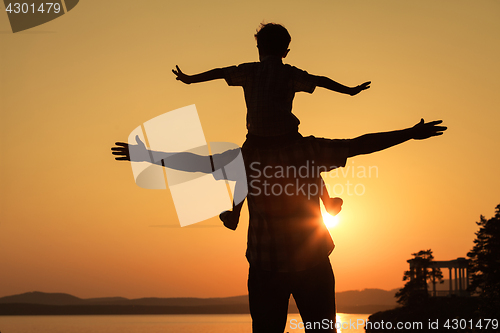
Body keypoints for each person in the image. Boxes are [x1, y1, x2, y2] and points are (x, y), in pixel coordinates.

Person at [112, 119, 447, 333]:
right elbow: (358, 145)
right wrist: (409, 133)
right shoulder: (305, 150)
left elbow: (200, 163)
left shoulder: (248, 156)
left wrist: (149, 157)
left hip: (270, 266)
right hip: (301, 263)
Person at [172, 23, 371, 226]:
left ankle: (234, 214)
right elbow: (319, 80)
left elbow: (220, 72)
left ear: (259, 48)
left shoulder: (249, 71)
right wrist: (349, 90)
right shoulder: (289, 73)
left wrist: (191, 79)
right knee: (309, 166)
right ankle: (327, 202)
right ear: (285, 52)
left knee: (245, 172)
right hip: (287, 137)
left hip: (258, 138)